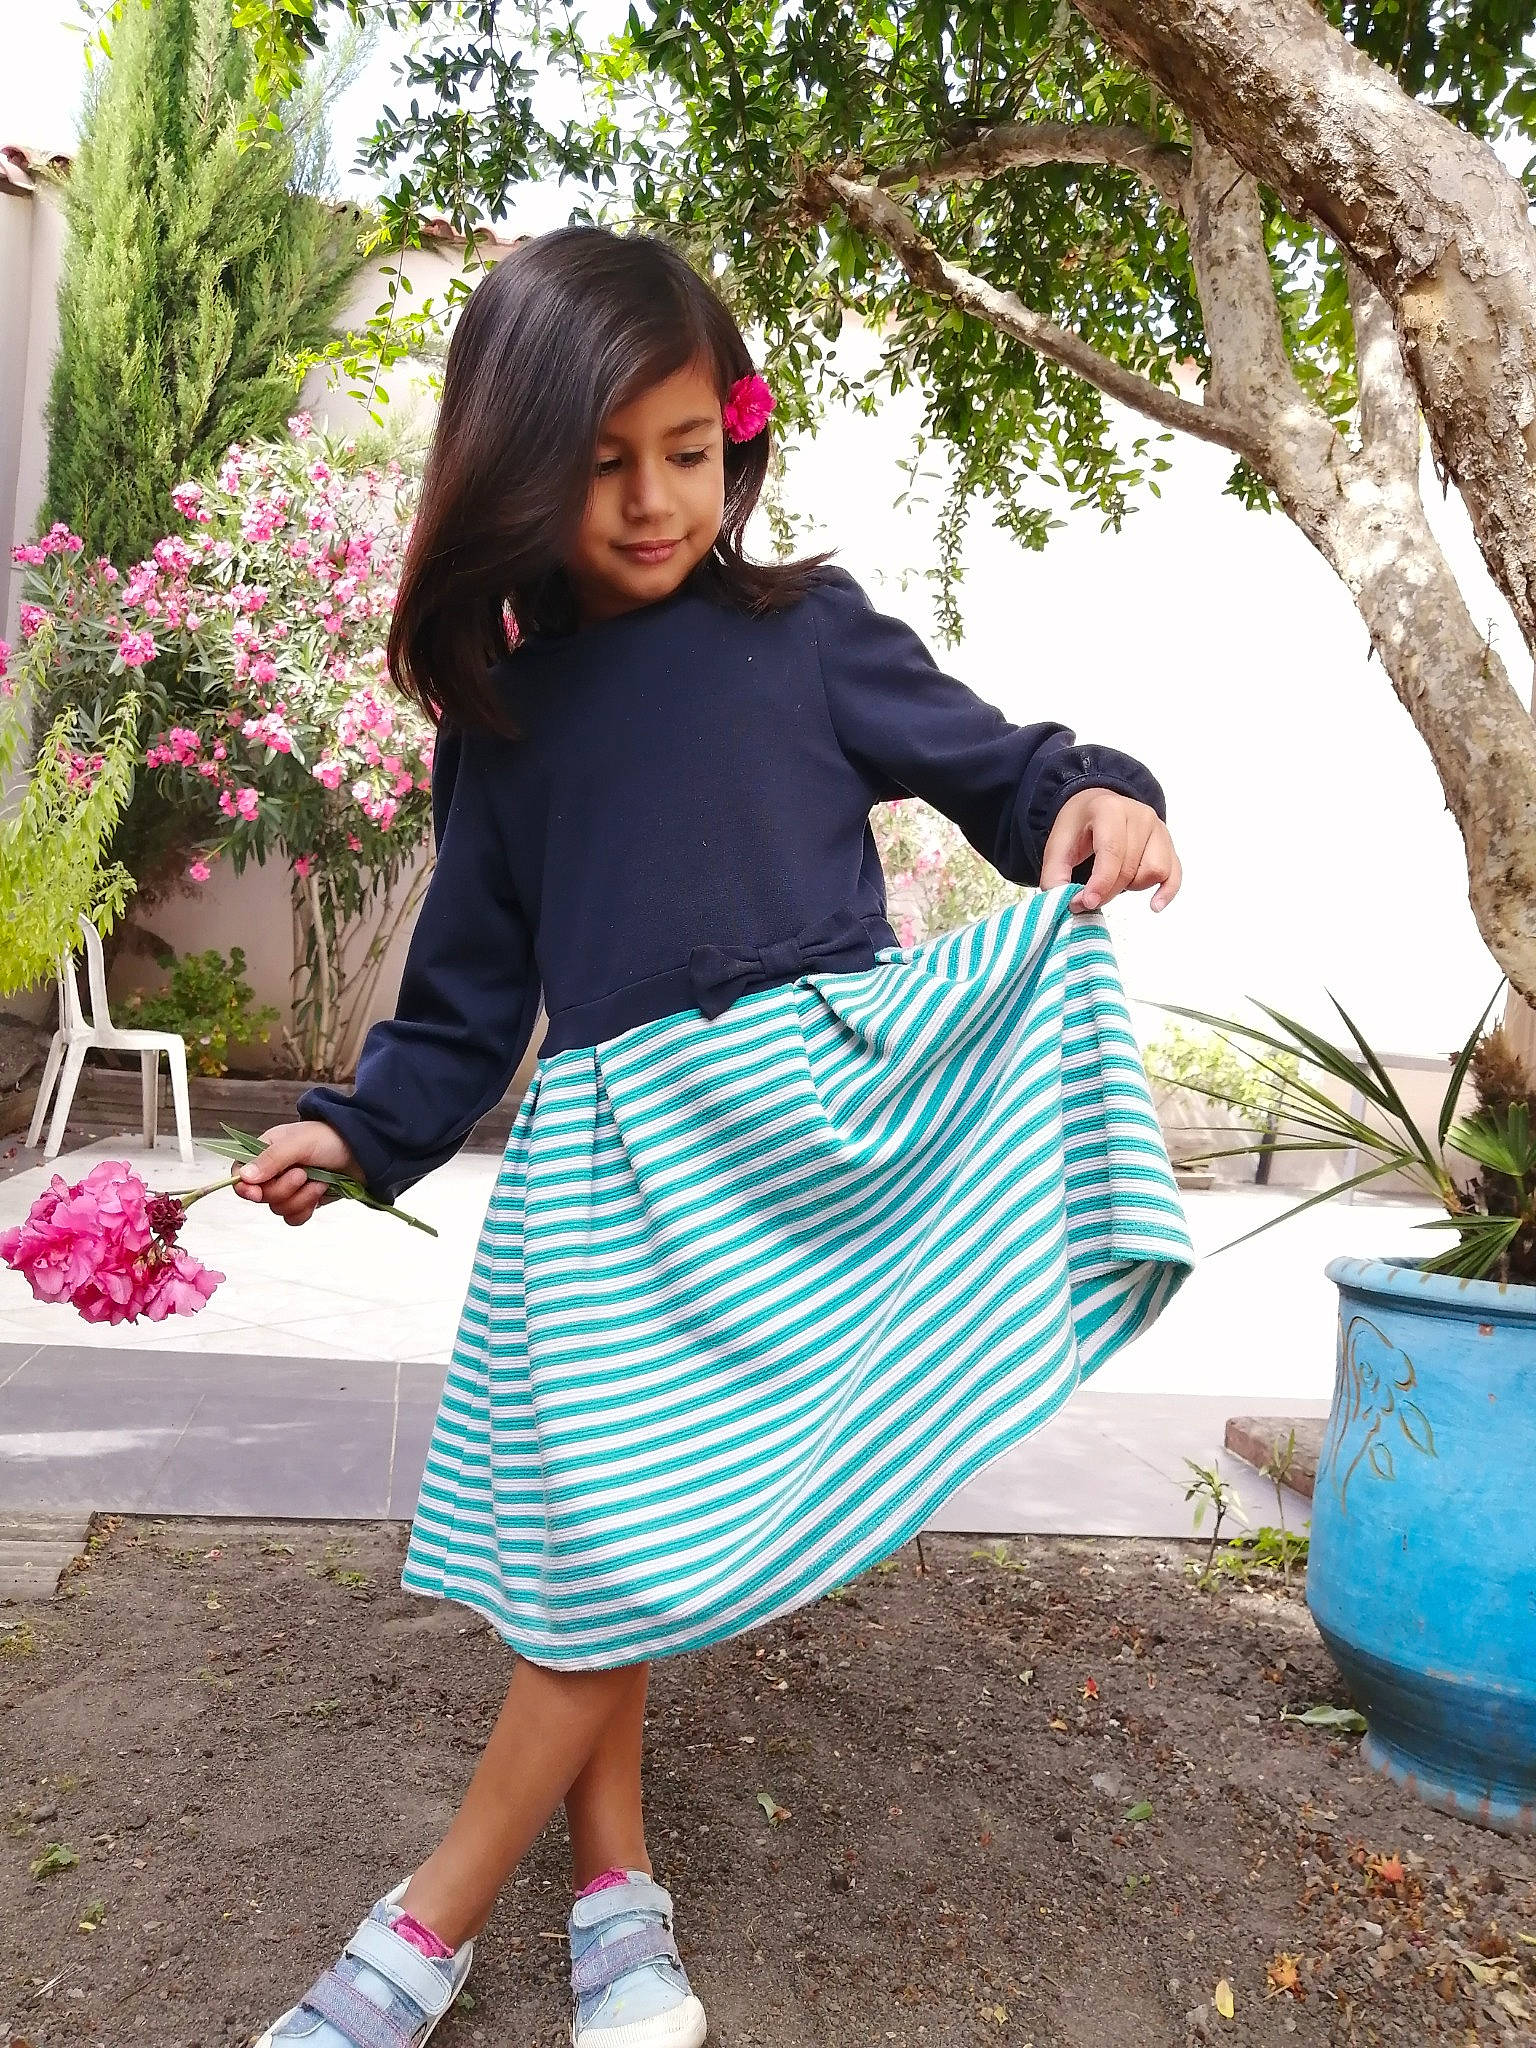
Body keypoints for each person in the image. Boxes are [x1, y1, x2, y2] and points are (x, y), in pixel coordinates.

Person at [238, 224, 1195, 2048]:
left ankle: (441, 1918)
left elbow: (999, 766)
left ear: (733, 437)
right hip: (610, 1182)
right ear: (516, 466)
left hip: (809, 1146)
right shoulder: (504, 715)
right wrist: (358, 1136)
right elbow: (464, 999)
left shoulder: (807, 633)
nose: (657, 498)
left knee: (621, 1546)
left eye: (687, 449)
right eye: (602, 465)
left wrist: (1095, 790)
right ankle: (618, 1904)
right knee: (610, 1533)